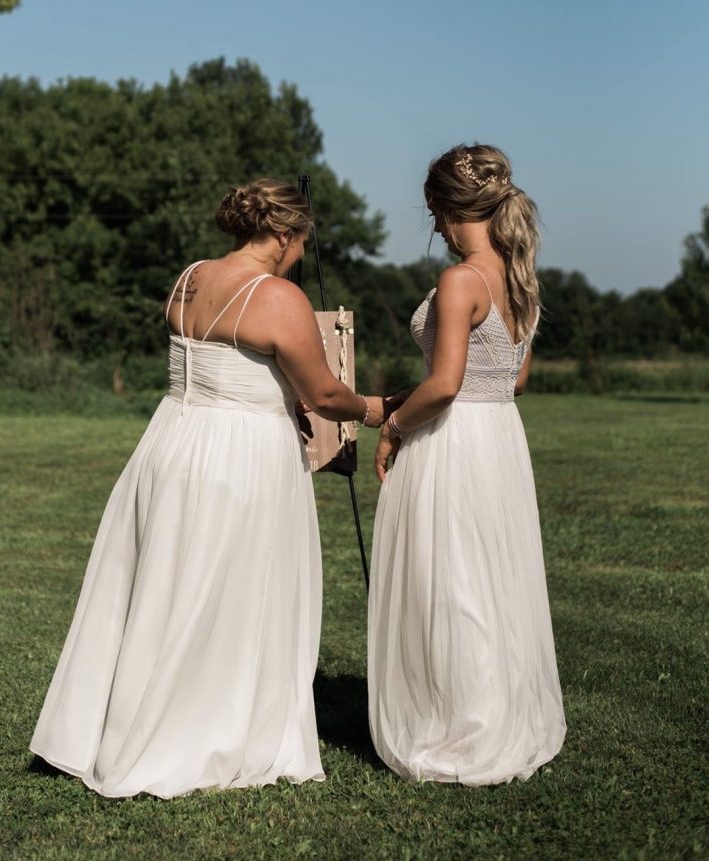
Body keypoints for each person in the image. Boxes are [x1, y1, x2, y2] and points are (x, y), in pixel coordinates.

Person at [30, 177, 384, 798]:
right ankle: (201, 728)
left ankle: (117, 723)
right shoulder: (278, 297)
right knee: (232, 589)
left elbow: (231, 366)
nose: (301, 252)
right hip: (239, 454)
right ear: (282, 233)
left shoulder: (189, 277)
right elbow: (324, 393)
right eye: (301, 240)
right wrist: (378, 410)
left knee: (166, 585)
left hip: (172, 440)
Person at [368, 144, 565, 785]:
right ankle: (490, 711)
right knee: (488, 578)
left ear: (453, 210)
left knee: (453, 581)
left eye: (434, 212)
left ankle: (463, 726)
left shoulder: (459, 281)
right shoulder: (519, 278)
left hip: (453, 441)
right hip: (499, 439)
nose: (434, 228)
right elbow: (512, 379)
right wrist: (407, 396)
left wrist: (395, 426)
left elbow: (447, 384)